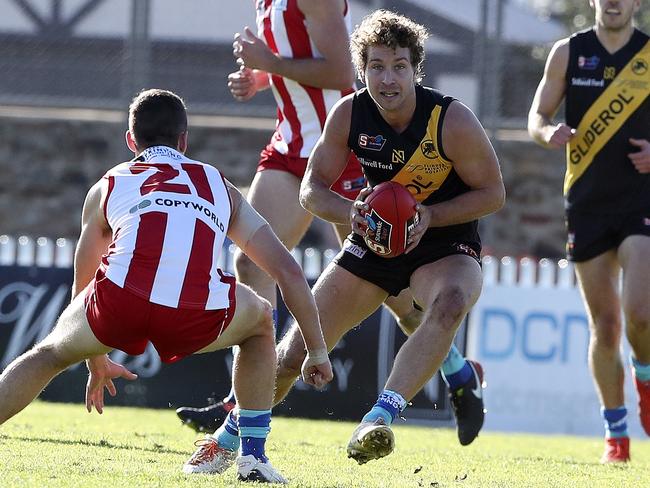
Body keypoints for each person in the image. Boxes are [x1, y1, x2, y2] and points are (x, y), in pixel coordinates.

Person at [176, 0, 487, 450]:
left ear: (415, 69)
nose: (388, 76)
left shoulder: (435, 115)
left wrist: (270, 62)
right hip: (296, 143)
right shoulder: (268, 5)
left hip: (348, 152)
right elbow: (324, 72)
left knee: (401, 300)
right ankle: (240, 405)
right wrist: (267, 77)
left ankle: (446, 374)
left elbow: (339, 71)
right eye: (379, 67)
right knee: (250, 264)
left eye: (399, 66)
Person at [0, 88, 333, 484]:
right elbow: (288, 271)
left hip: (119, 303)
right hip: (194, 310)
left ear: (131, 141)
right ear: (184, 141)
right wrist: (316, 349)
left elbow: (85, 277)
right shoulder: (218, 186)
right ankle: (253, 458)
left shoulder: (109, 184)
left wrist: (95, 353)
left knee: (47, 354)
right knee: (261, 320)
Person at [527, 0, 650, 464]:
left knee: (640, 314)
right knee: (606, 325)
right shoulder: (568, 52)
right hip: (587, 203)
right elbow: (536, 118)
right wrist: (547, 133)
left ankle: (645, 374)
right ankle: (616, 436)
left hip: (642, 201)